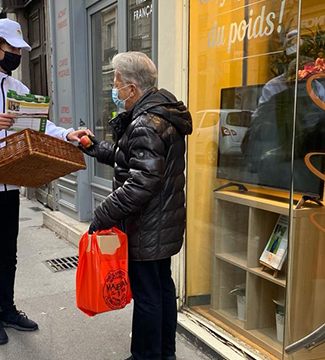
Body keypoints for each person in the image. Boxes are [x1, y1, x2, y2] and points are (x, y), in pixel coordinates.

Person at [0, 18, 90, 346]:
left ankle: (8, 309)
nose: (17, 55)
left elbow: (40, 126)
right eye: (11, 49)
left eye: (19, 50)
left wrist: (68, 133)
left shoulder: (18, 89)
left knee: (9, 251)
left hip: (11, 181)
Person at [79, 52, 192, 360]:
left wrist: (102, 215)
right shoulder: (161, 111)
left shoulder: (145, 121)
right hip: (163, 222)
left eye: (116, 83)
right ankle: (164, 353)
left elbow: (141, 183)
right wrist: (94, 148)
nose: (114, 89)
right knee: (161, 288)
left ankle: (146, 356)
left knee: (148, 295)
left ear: (131, 87)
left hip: (148, 224)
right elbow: (131, 158)